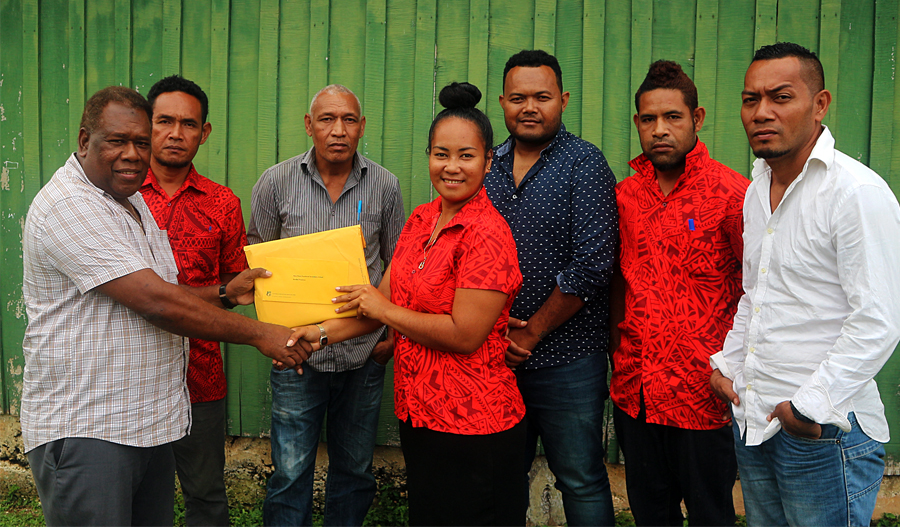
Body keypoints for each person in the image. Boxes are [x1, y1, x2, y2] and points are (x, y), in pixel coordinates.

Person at [21, 86, 312, 526]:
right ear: (84, 140)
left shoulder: (130, 201)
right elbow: (156, 302)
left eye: (140, 142)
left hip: (145, 421)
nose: (133, 154)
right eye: (117, 141)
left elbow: (161, 290)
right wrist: (262, 335)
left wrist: (225, 293)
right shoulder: (70, 207)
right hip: (89, 428)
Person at [289, 81, 527, 526]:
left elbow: (464, 335)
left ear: (490, 160)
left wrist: (385, 314)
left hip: (476, 425)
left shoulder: (488, 235)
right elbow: (379, 302)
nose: (451, 167)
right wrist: (318, 334)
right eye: (441, 154)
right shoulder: (421, 219)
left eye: (466, 155)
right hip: (421, 414)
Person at [709, 42, 900, 526]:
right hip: (755, 418)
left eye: (781, 97)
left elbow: (878, 321)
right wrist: (727, 371)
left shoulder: (855, 193)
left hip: (821, 430)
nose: (762, 112)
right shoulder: (757, 190)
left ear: (820, 105)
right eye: (751, 99)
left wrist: (806, 409)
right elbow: (758, 294)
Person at [248, 84, 404, 527]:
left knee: (354, 469)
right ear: (309, 125)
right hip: (298, 356)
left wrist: (388, 337)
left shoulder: (385, 185)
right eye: (327, 119)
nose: (338, 130)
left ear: (361, 127)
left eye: (349, 120)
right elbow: (259, 261)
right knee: (291, 471)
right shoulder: (275, 182)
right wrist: (274, 338)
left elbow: (396, 265)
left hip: (363, 354)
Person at [610, 60, 748, 526]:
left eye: (673, 117)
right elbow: (618, 285)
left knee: (711, 514)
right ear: (638, 124)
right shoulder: (626, 197)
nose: (660, 130)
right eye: (649, 120)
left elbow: (760, 289)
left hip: (702, 395)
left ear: (697, 119)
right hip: (637, 391)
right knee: (652, 515)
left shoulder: (734, 196)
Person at [484, 49, 618, 526]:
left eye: (541, 97)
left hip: (568, 359)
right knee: (501, 476)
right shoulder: (486, 165)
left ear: (562, 100)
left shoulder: (584, 164)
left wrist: (531, 331)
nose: (529, 107)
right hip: (494, 357)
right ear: (502, 102)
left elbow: (592, 265)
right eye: (518, 97)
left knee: (579, 477)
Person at [140, 75, 245, 526]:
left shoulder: (222, 203)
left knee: (205, 494)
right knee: (140, 495)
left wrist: (230, 294)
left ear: (203, 133)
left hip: (199, 373)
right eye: (164, 121)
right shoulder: (118, 198)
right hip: (131, 375)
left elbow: (234, 289)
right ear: (147, 125)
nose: (175, 133)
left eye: (188, 124)